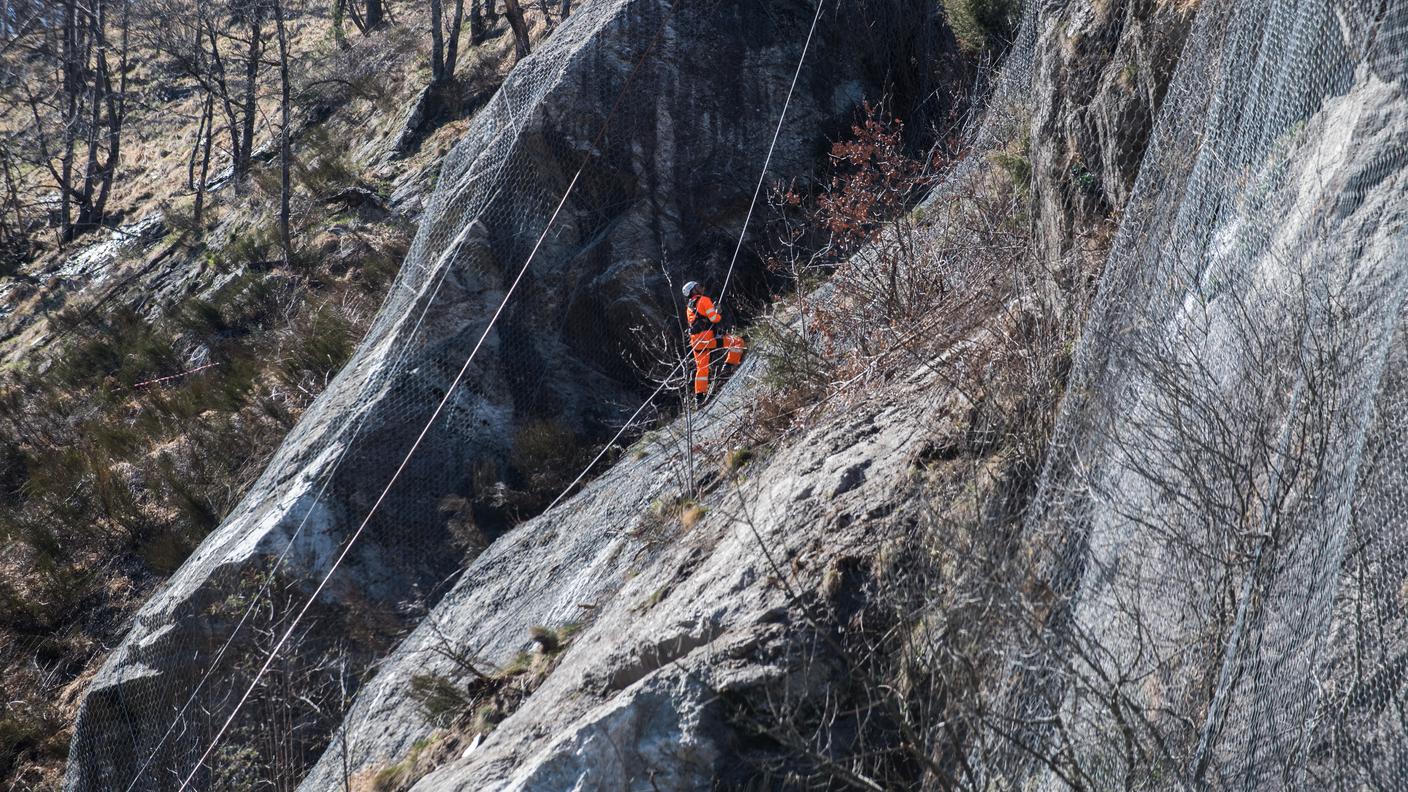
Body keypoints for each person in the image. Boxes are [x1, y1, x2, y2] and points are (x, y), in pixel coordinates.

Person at [682, 280, 744, 404]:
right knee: (737, 342)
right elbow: (715, 319)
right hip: (708, 340)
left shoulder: (689, 307)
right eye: (698, 286)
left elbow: (702, 318)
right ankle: (729, 365)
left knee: (702, 368)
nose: (701, 287)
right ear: (693, 290)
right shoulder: (704, 300)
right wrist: (718, 312)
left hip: (697, 343)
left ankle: (699, 397)